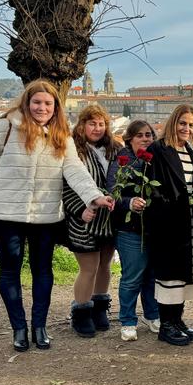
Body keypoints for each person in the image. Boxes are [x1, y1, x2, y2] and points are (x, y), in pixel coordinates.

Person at [0, 79, 114, 352]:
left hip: (46, 215)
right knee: (10, 270)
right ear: (26, 103)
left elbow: (74, 171)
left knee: (42, 271)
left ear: (56, 107)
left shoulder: (62, 136)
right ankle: (19, 328)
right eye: (37, 102)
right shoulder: (4, 128)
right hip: (5, 214)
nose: (42, 107)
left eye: (48, 103)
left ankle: (39, 326)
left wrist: (93, 196)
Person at [144, 104, 193, 346]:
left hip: (189, 223)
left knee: (184, 274)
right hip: (168, 224)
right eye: (183, 123)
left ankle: (177, 320)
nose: (186, 128)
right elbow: (152, 188)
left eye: (191, 125)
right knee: (169, 275)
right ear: (174, 123)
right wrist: (172, 207)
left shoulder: (191, 153)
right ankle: (166, 324)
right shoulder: (159, 150)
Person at [64, 105, 122, 338]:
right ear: (81, 125)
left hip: (109, 218)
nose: (97, 129)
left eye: (101, 124)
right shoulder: (72, 151)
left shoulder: (115, 149)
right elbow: (64, 186)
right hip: (85, 218)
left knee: (105, 265)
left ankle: (99, 308)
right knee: (88, 267)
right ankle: (81, 312)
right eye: (92, 123)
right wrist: (80, 209)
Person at [106, 120, 160, 342]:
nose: (146, 139)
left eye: (149, 135)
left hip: (154, 227)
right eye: (140, 135)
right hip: (129, 228)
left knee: (152, 276)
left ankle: (152, 315)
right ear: (130, 138)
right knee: (132, 277)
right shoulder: (122, 162)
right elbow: (112, 191)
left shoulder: (157, 160)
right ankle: (128, 320)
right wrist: (129, 202)